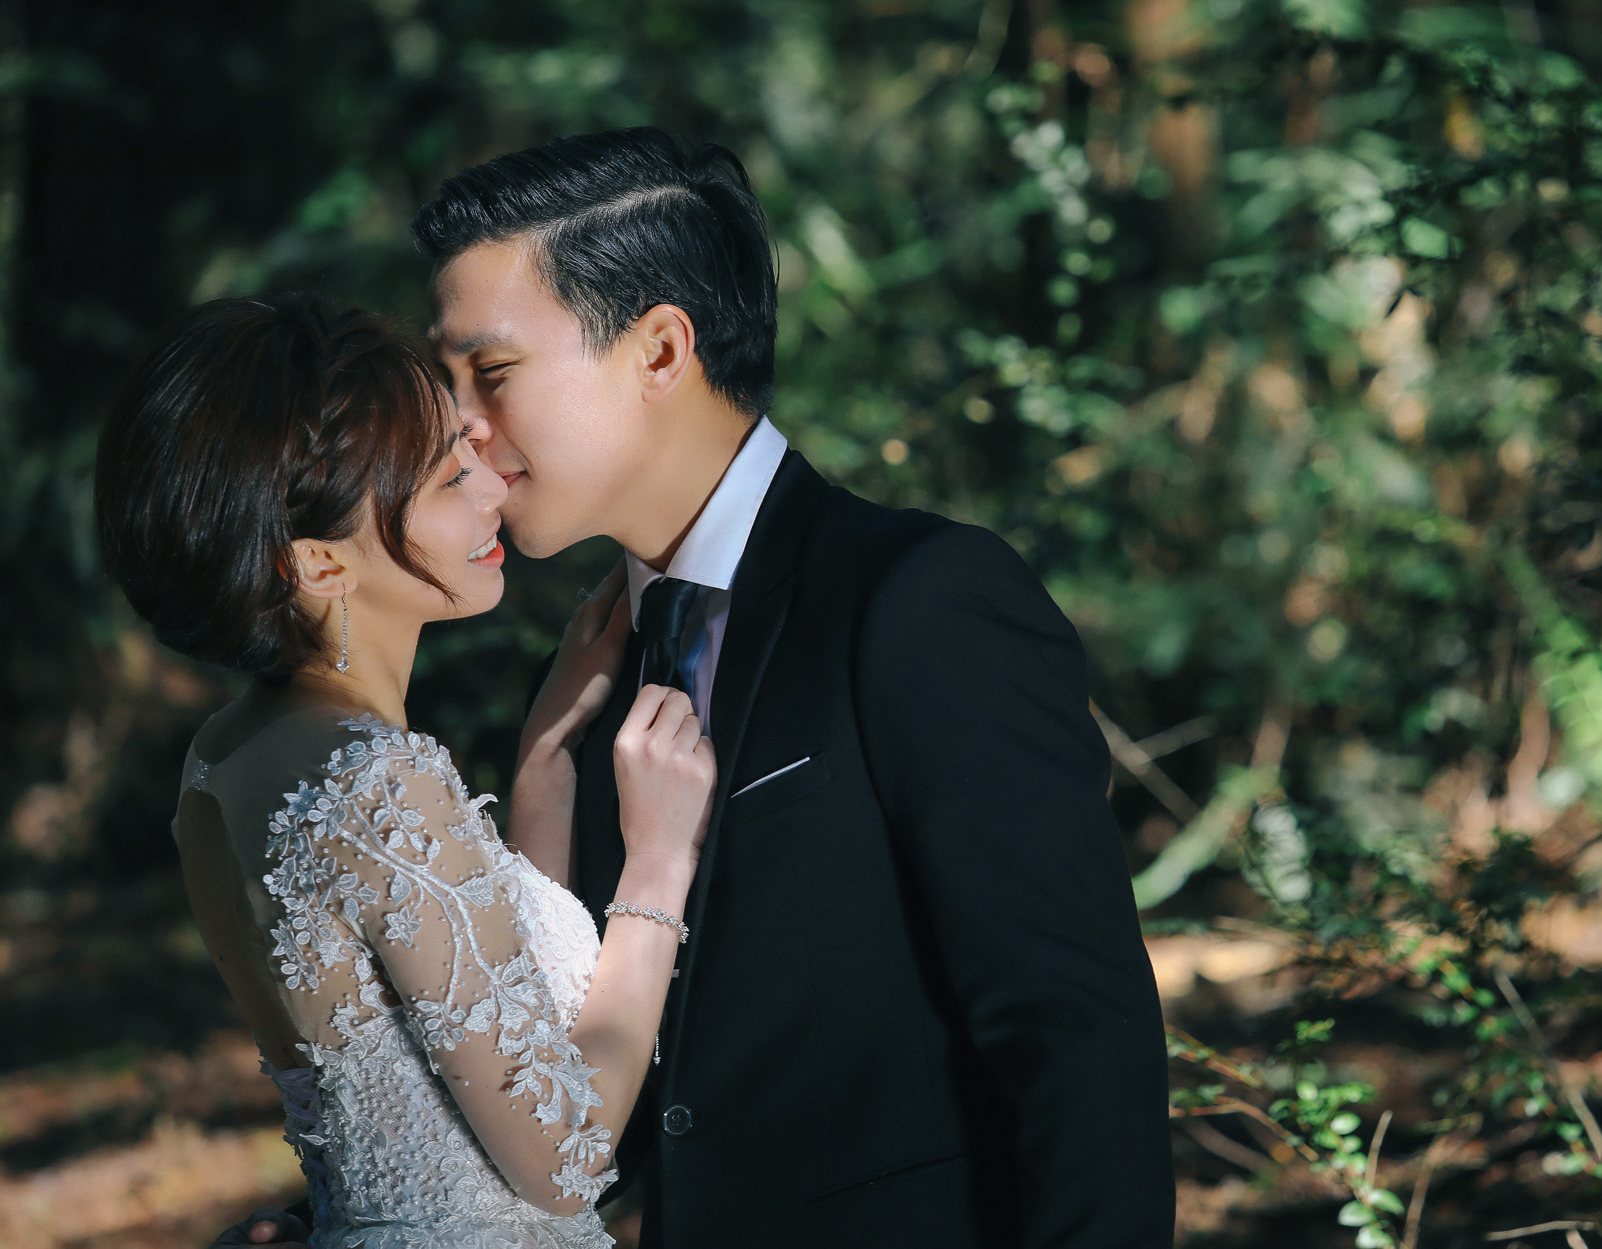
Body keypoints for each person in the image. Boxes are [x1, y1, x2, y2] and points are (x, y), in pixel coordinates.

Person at [228, 129, 1175, 1247]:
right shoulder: (585, 678)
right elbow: (595, 1098)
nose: (457, 425)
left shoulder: (919, 602)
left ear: (661, 350)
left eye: (491, 373)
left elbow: (1078, 1040)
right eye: (446, 382)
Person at [98, 295, 718, 1246]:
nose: (493, 485)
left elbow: (472, 1001)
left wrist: (543, 757)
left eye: (467, 449)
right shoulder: (378, 782)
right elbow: (565, 1156)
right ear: (318, 564)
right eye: (446, 479)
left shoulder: (224, 757)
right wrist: (660, 866)